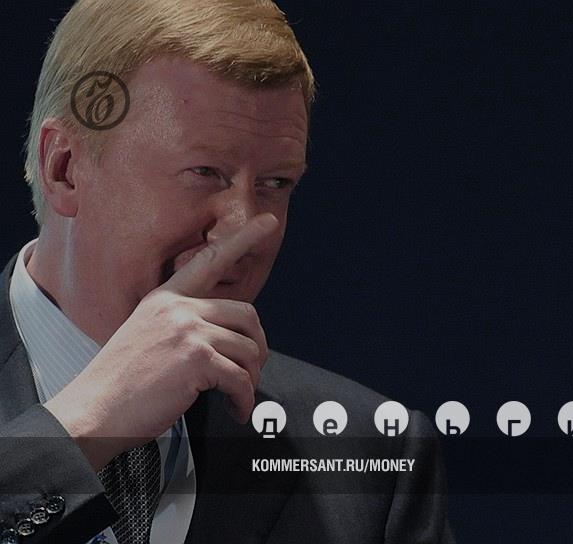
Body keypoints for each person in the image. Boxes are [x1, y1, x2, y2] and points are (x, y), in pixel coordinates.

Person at [0, 1, 453, 542]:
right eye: (205, 172)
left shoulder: (367, 454)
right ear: (65, 169)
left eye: (275, 183)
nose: (246, 227)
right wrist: (82, 428)